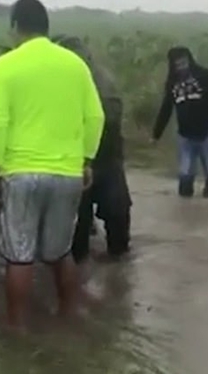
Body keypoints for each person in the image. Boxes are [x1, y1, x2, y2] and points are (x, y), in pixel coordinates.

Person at [0, 0, 105, 328]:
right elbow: (95, 116)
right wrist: (86, 160)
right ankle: (68, 317)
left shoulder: (4, 66)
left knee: (19, 255)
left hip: (20, 173)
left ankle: (17, 330)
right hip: (67, 172)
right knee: (59, 252)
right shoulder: (75, 65)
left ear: (14, 27)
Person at [53, 35, 132, 263]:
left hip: (92, 156)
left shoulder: (92, 79)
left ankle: (84, 267)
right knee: (109, 214)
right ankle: (113, 267)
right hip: (100, 155)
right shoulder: (101, 76)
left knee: (84, 218)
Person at [151, 45, 208, 198]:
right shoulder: (171, 83)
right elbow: (166, 110)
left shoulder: (205, 76)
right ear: (172, 65)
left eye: (184, 62)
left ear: (190, 59)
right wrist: (156, 135)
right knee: (185, 175)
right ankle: (184, 209)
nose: (181, 66)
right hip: (185, 136)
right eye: (177, 64)